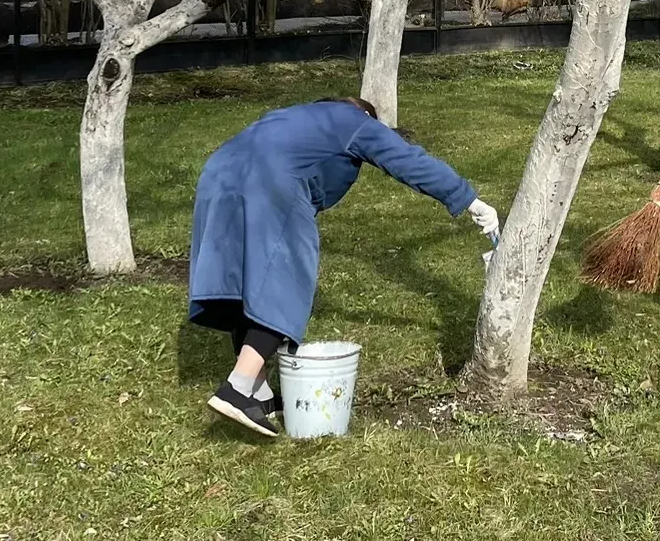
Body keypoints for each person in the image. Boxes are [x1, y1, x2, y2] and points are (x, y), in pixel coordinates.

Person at [188, 96, 501, 437]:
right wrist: (470, 200)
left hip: (217, 175)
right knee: (285, 283)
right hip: (270, 183)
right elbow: (408, 160)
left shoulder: (291, 116)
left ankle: (258, 393)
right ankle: (237, 387)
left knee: (245, 281)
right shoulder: (353, 121)